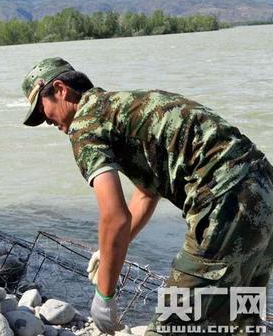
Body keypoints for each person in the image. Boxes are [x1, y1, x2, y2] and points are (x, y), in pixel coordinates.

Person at [21, 57, 273, 334]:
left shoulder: (85, 124)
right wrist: (107, 253)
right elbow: (146, 192)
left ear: (60, 89)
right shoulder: (121, 106)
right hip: (264, 187)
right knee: (241, 319)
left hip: (225, 201)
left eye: (43, 110)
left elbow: (114, 217)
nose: (46, 120)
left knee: (172, 325)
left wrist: (104, 296)